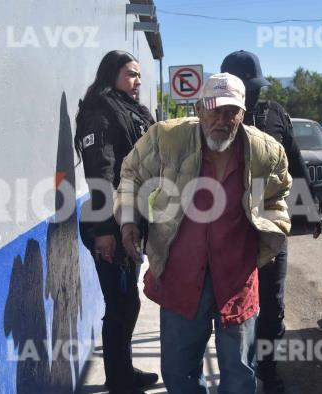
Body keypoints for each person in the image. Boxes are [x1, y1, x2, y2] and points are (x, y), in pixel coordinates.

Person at [116, 73, 292, 394]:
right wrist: (129, 218)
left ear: (243, 113)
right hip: (180, 276)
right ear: (199, 109)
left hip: (236, 278)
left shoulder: (267, 151)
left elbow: (277, 197)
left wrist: (271, 237)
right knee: (179, 374)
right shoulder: (166, 138)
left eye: (231, 112)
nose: (221, 119)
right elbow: (131, 175)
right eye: (214, 109)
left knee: (239, 376)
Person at [221, 50, 322, 393]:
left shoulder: (275, 114)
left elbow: (295, 164)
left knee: (272, 301)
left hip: (270, 223)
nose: (253, 94)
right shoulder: (213, 116)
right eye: (245, 88)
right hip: (227, 227)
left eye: (255, 88)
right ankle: (239, 369)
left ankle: (267, 366)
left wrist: (311, 210)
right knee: (233, 304)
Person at [73, 50, 158, 394]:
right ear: (112, 74)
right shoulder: (100, 113)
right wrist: (106, 231)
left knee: (127, 302)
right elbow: (100, 175)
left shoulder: (131, 110)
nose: (138, 81)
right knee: (120, 303)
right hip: (108, 225)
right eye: (131, 74)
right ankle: (120, 381)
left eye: (139, 75)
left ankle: (122, 372)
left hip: (130, 221)